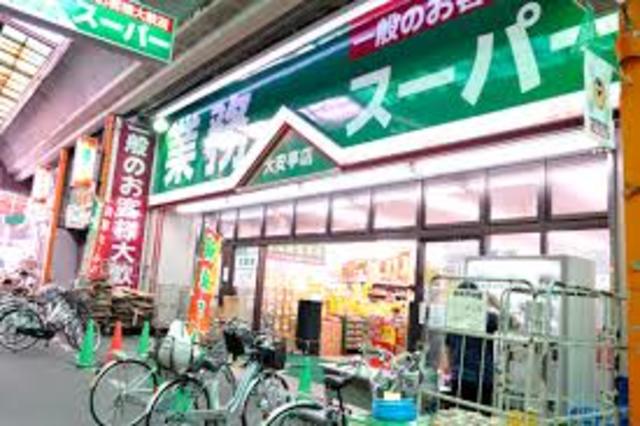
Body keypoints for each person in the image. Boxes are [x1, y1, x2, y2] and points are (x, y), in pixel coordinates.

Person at [442, 281, 499, 406]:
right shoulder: (487, 318)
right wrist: (497, 304)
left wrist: (449, 368)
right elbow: (515, 325)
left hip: (463, 377)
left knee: (458, 413)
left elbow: (447, 346)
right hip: (481, 378)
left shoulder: (454, 319)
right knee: (481, 414)